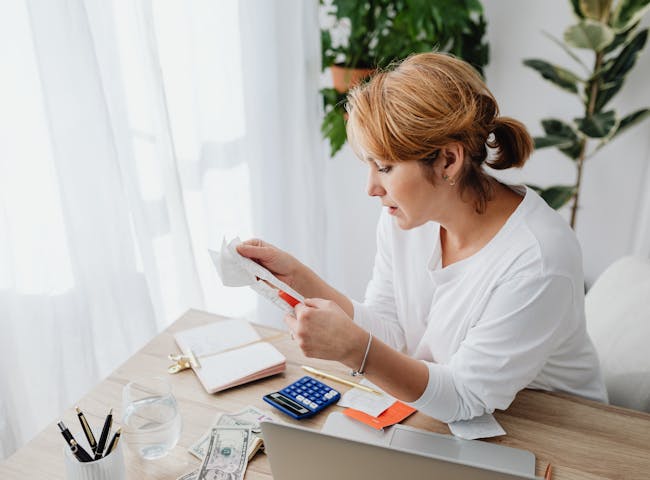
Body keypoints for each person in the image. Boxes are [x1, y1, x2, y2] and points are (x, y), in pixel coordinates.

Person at [237, 52, 607, 423]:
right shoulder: (408, 218)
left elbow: (465, 397)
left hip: (558, 426)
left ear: (448, 160)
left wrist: (356, 352)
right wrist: (299, 280)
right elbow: (391, 332)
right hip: (469, 420)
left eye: (384, 167)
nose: (371, 188)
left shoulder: (538, 258)